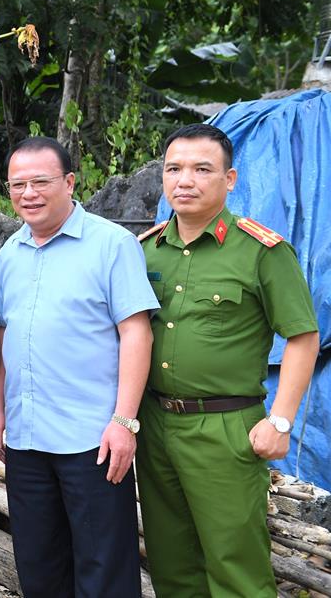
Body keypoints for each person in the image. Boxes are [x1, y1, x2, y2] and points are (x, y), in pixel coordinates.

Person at [136, 123, 319, 597]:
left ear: (230, 179)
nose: (185, 180)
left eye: (202, 169)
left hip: (225, 429)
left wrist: (280, 421)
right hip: (154, 424)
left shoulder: (262, 251)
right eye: (174, 169)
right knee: (171, 562)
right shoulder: (144, 250)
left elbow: (303, 336)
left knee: (235, 565)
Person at [0, 136, 158, 598]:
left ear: (70, 182)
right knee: (40, 565)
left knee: (105, 568)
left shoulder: (112, 244)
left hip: (93, 439)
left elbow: (137, 333)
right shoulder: (9, 253)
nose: (29, 193)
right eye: (18, 184)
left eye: (41, 181)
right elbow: (5, 338)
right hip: (26, 437)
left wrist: (124, 421)